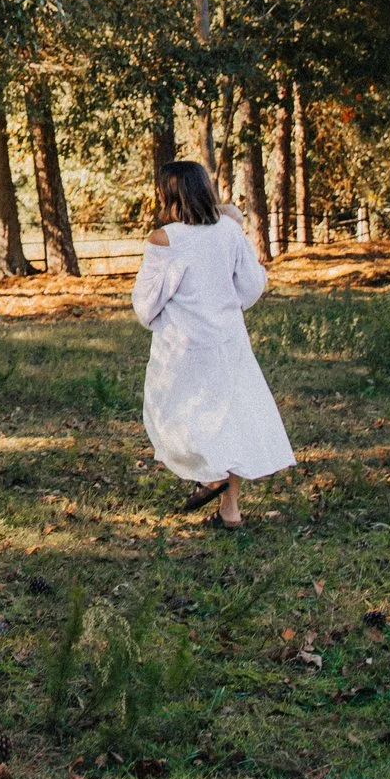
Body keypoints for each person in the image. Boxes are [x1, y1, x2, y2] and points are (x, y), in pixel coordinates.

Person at [132, 159, 295, 528]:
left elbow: (145, 304)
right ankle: (230, 510)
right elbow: (252, 285)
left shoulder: (165, 239)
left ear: (168, 194)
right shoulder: (229, 232)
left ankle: (212, 478)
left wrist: (167, 315)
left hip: (184, 346)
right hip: (227, 340)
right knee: (230, 420)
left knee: (172, 415)